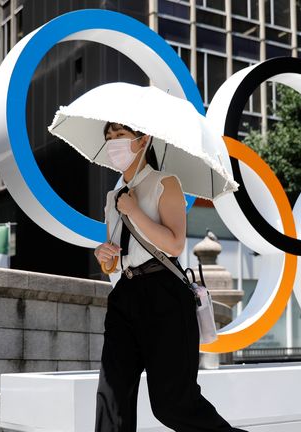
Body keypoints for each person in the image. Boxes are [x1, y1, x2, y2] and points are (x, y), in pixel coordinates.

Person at [92, 122, 247, 432]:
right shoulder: (113, 196)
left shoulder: (166, 184)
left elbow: (175, 244)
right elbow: (116, 261)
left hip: (164, 294)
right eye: (108, 137)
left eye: (119, 136)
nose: (112, 144)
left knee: (173, 404)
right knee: (112, 395)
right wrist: (104, 258)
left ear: (143, 139)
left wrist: (134, 210)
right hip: (124, 293)